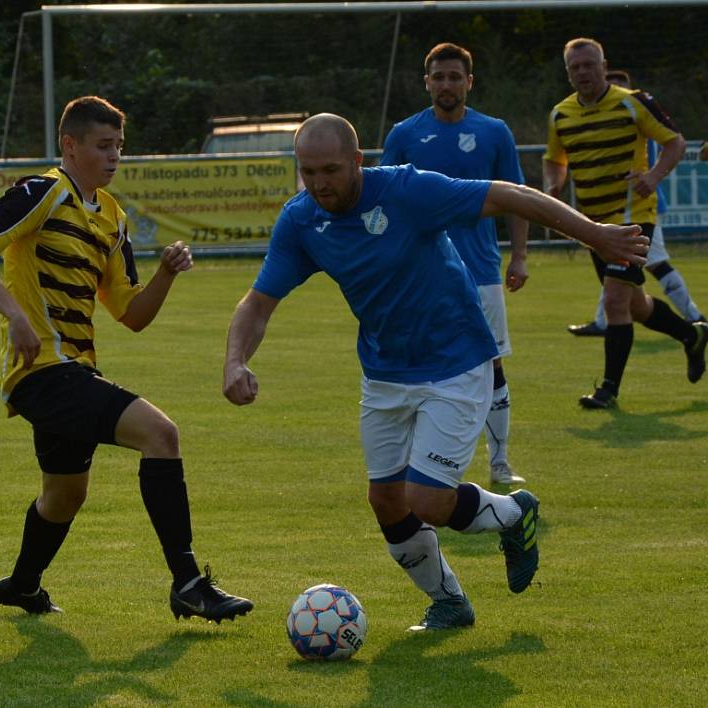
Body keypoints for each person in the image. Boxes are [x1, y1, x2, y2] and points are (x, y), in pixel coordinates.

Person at [222, 113, 649, 631]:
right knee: (385, 499)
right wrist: (236, 360)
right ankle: (448, 601)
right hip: (384, 371)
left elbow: (510, 194)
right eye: (307, 172)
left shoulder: (407, 190)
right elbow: (258, 303)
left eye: (330, 170)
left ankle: (514, 513)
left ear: (359, 160)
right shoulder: (302, 220)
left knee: (425, 498)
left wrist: (594, 235)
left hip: (456, 360)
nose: (318, 184)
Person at [0, 96, 253, 622]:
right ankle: (188, 583)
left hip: (73, 372)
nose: (114, 156)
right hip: (41, 371)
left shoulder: (113, 218)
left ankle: (23, 586)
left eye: (119, 146)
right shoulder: (42, 192)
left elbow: (132, 314)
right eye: (102, 146)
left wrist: (165, 273)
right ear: (70, 146)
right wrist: (15, 315)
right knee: (161, 435)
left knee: (64, 495)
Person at [380, 42, 528, 486]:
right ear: (426, 82)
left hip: (481, 271)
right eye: (438, 77)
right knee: (416, 364)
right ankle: (416, 463)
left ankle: (500, 463)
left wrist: (519, 254)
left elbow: (518, 199)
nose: (447, 84)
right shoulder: (404, 135)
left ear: (469, 82)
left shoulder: (494, 131)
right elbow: (384, 200)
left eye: (454, 77)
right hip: (419, 276)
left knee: (492, 365)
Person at [543, 38, 708, 409]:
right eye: (575, 67)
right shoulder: (560, 115)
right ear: (568, 73)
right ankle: (692, 335)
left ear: (604, 65)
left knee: (615, 299)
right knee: (635, 305)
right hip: (592, 226)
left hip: (633, 220)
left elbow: (675, 143)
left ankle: (608, 391)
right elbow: (555, 159)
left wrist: (653, 176)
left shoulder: (633, 101)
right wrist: (553, 186)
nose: (583, 72)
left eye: (589, 65)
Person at [567, 68, 705, 336]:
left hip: (641, 207)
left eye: (620, 86)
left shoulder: (637, 113)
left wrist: (652, 177)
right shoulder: (602, 116)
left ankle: (695, 318)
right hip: (614, 210)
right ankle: (605, 321)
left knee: (652, 266)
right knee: (617, 273)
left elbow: (673, 145)